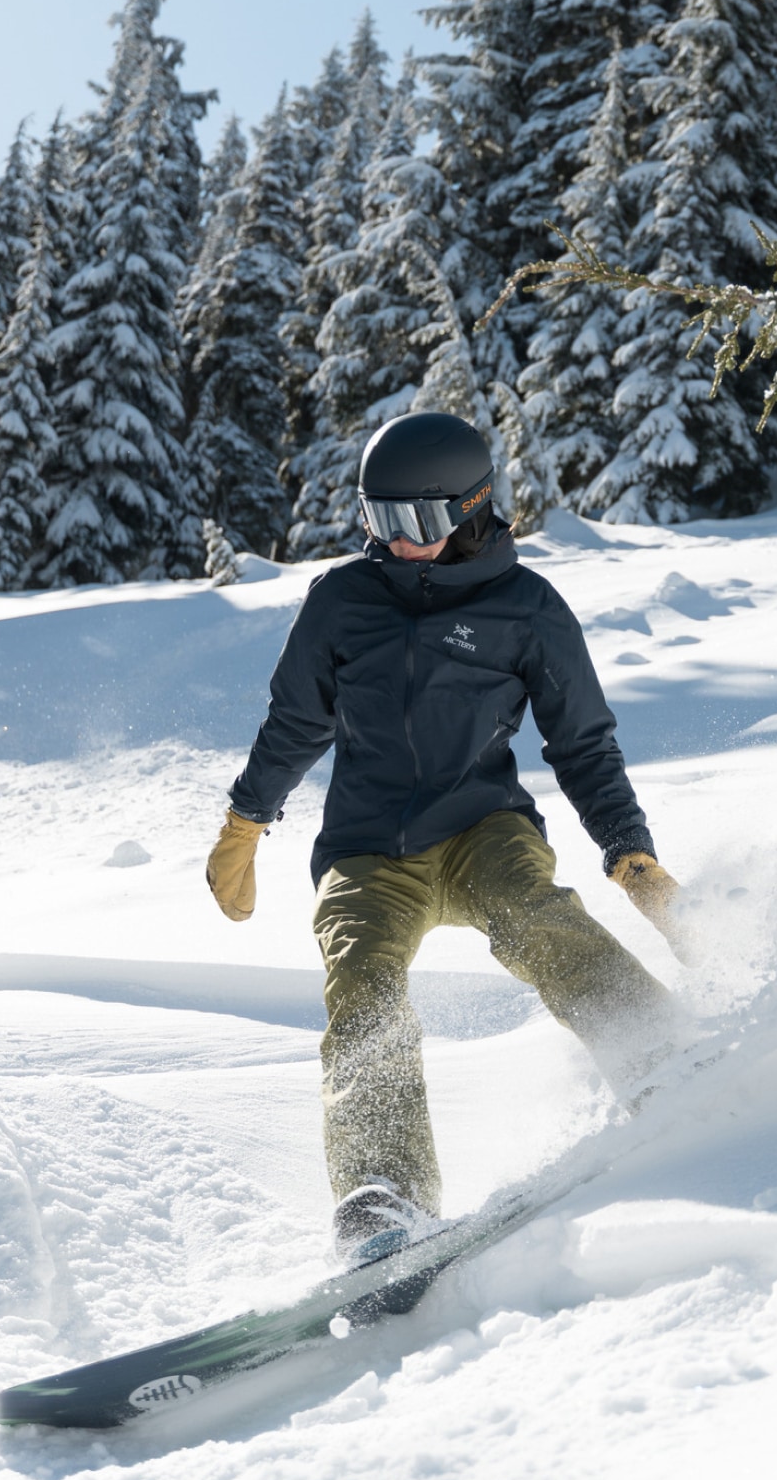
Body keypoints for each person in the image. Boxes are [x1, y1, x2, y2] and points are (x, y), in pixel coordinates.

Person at [207, 411, 689, 1265]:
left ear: (470, 511)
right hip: (365, 850)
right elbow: (295, 722)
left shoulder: (528, 610)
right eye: (378, 522)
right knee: (362, 984)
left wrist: (628, 851)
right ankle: (383, 1192)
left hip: (481, 828)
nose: (396, 543)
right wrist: (248, 819)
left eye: (417, 525)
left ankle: (661, 1059)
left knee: (535, 915)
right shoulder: (342, 602)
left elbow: (582, 742)